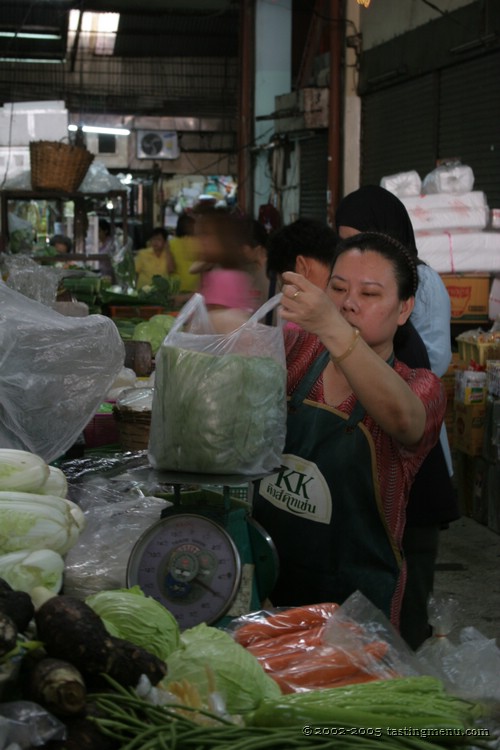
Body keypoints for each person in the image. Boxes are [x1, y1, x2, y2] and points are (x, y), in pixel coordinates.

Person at [252, 231, 446, 630]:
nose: (349, 303)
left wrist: (330, 324)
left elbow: (403, 419)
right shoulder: (297, 352)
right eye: (337, 288)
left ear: (404, 309)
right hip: (269, 586)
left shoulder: (421, 387)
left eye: (370, 294)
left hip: (356, 613)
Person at [335, 185, 460, 649]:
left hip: (413, 441)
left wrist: (373, 360)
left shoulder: (422, 284)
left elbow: (436, 363)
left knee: (406, 582)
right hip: (367, 440)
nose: (356, 253)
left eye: (362, 237)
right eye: (345, 241)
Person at [191, 208, 257, 333]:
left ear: (224, 239)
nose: (201, 241)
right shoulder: (237, 274)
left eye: (206, 235)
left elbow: (213, 330)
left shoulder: (222, 278)